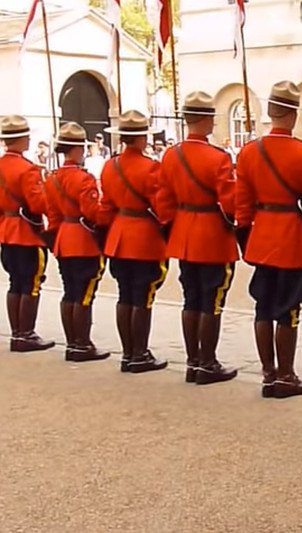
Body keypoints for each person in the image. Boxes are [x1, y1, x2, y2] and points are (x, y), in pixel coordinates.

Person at [236, 81, 302, 399]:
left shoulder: (249, 152)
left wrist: (246, 239)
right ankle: (286, 375)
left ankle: (268, 373)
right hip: (292, 239)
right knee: (289, 308)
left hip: (261, 236)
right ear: (293, 114)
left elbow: (242, 206)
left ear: (270, 112)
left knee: (263, 307)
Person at [157, 91, 239, 384]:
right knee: (212, 301)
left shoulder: (171, 154)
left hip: (184, 234)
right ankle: (208, 363)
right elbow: (230, 202)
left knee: (190, 299)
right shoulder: (218, 157)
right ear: (206, 119)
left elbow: (163, 201)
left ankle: (192, 362)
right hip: (212, 235)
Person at [98, 110, 169, 374]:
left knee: (125, 296)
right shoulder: (151, 167)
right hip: (143, 237)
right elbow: (161, 206)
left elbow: (105, 207)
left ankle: (128, 353)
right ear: (141, 138)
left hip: (119, 236)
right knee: (143, 298)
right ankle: (140, 353)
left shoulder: (110, 166)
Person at [45, 122, 109, 362]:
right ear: (77, 149)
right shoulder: (83, 179)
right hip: (83, 240)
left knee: (69, 292)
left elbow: (52, 215)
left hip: (64, 239)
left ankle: (72, 343)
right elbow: (93, 213)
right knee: (84, 294)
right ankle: (82, 344)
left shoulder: (52, 178)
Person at [0, 115, 54, 352]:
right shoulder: (28, 169)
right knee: (31, 284)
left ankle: (16, 333)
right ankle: (26, 334)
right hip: (26, 232)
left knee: (15, 283)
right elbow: (38, 204)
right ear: (21, 139)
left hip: (6, 230)